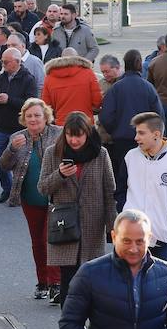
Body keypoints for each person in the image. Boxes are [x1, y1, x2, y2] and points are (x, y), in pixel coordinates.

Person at [39, 111, 116, 308]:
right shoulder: (52, 153)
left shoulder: (101, 154)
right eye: (69, 135)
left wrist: (112, 227)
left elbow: (109, 192)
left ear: (88, 133)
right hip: (65, 226)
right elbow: (43, 188)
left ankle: (92, 328)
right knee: (69, 282)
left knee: (93, 281)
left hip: (93, 225)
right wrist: (60, 175)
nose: (73, 140)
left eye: (78, 135)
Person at [0, 99, 63, 299]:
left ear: (46, 117)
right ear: (23, 119)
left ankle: (56, 284)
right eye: (29, 116)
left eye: (37, 115)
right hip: (29, 198)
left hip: (55, 198)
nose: (33, 119)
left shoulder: (59, 134)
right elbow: (4, 165)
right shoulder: (18, 137)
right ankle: (42, 282)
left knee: (49, 240)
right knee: (37, 242)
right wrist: (11, 149)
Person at [115, 112, 167, 262]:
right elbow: (120, 189)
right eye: (136, 133)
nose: (136, 138)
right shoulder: (130, 157)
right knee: (126, 281)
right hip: (130, 234)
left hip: (161, 236)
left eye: (141, 133)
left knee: (157, 282)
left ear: (156, 134)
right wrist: (124, 209)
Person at [99, 49, 164, 184]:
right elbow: (158, 116)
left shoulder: (116, 88)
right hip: (146, 141)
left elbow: (105, 116)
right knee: (143, 178)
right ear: (139, 64)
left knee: (123, 177)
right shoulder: (148, 87)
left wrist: (115, 130)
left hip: (121, 140)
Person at [0, 48, 35, 204]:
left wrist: (9, 100)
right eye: (2, 61)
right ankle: (7, 188)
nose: (3, 64)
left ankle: (21, 191)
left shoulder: (28, 79)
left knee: (21, 163)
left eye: (6, 62)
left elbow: (30, 104)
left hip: (20, 128)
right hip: (1, 127)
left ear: (17, 61)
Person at [41, 47, 102, 126]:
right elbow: (97, 101)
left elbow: (46, 107)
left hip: (62, 125)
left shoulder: (49, 78)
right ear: (77, 57)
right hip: (85, 123)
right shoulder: (88, 73)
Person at [6, 32, 44, 96]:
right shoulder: (6, 61)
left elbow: (41, 86)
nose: (10, 48)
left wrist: (34, 103)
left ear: (23, 46)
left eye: (14, 45)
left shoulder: (35, 62)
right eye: (8, 45)